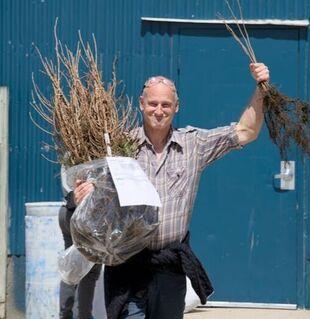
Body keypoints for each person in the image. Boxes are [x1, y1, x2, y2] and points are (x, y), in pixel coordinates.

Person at [71, 62, 270, 319]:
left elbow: (246, 131)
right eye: (153, 103)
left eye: (166, 105)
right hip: (128, 265)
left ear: (176, 107)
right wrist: (84, 197)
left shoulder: (193, 145)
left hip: (169, 268)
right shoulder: (119, 147)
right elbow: (95, 200)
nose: (158, 110)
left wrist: (261, 88)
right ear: (141, 104)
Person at [58, 169, 102, 319]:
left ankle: (65, 315)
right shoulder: (96, 151)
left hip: (66, 211)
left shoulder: (68, 148)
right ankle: (83, 316)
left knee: (71, 267)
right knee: (89, 272)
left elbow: (67, 181)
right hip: (84, 213)